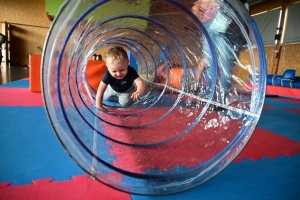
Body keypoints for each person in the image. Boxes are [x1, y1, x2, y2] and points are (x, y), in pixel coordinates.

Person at [95, 46, 145, 112]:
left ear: (127, 63)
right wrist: (99, 106)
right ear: (107, 66)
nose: (118, 74)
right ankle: (115, 97)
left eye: (122, 70)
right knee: (104, 98)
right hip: (112, 88)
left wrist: (138, 91)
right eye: (114, 71)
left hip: (126, 89)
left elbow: (140, 82)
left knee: (125, 103)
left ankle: (132, 88)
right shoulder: (108, 74)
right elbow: (100, 89)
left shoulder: (131, 71)